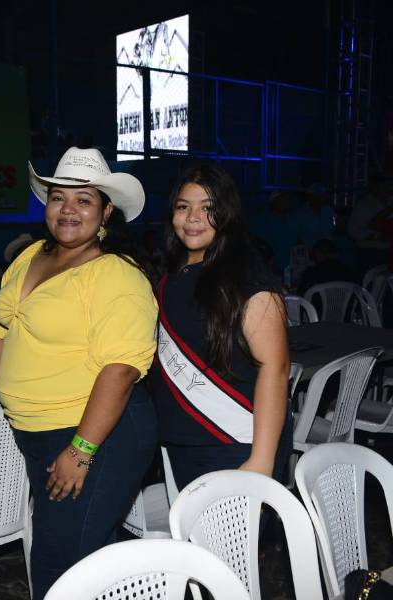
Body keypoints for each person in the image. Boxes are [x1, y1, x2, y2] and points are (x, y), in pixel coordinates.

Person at [0, 147, 158, 599]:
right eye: (58, 198)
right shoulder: (33, 254)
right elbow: (1, 324)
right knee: (86, 551)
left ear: (106, 211)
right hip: (39, 432)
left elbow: (120, 370)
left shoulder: (117, 276)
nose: (68, 210)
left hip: (96, 433)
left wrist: (81, 450)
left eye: (83, 200)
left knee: (61, 562)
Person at [150, 163, 292, 493]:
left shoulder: (248, 282)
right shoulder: (171, 279)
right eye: (183, 207)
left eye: (208, 208)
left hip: (237, 441)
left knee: (234, 545)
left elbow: (276, 367)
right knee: (196, 544)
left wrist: (262, 459)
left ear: (227, 215)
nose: (193, 217)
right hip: (182, 443)